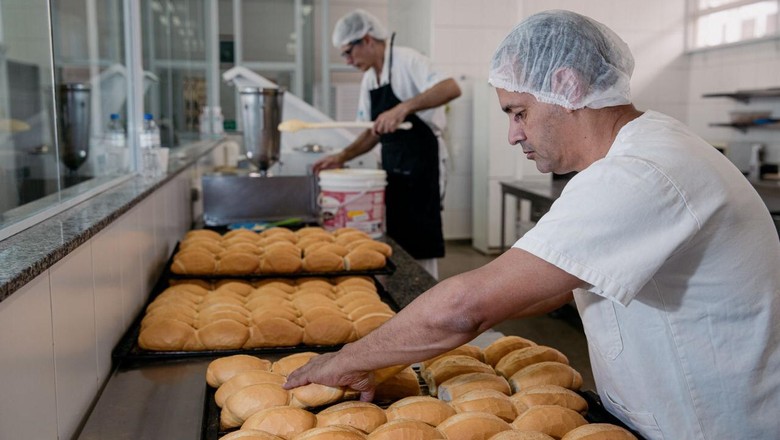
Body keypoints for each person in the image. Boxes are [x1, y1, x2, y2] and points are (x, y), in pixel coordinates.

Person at [286, 10, 780, 440]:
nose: (512, 134)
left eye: (519, 112)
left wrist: (345, 360)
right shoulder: (640, 151)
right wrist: (393, 354)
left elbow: (466, 307)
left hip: (709, 425)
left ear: (566, 87)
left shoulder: (639, 174)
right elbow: (550, 287)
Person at [312, 9, 461, 279]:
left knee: (420, 240)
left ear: (367, 40)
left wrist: (403, 108)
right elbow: (373, 131)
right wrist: (342, 156)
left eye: (348, 52)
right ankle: (400, 297)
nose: (347, 60)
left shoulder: (407, 60)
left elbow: (451, 87)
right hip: (393, 169)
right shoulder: (371, 78)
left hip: (422, 167)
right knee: (396, 237)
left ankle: (424, 296)